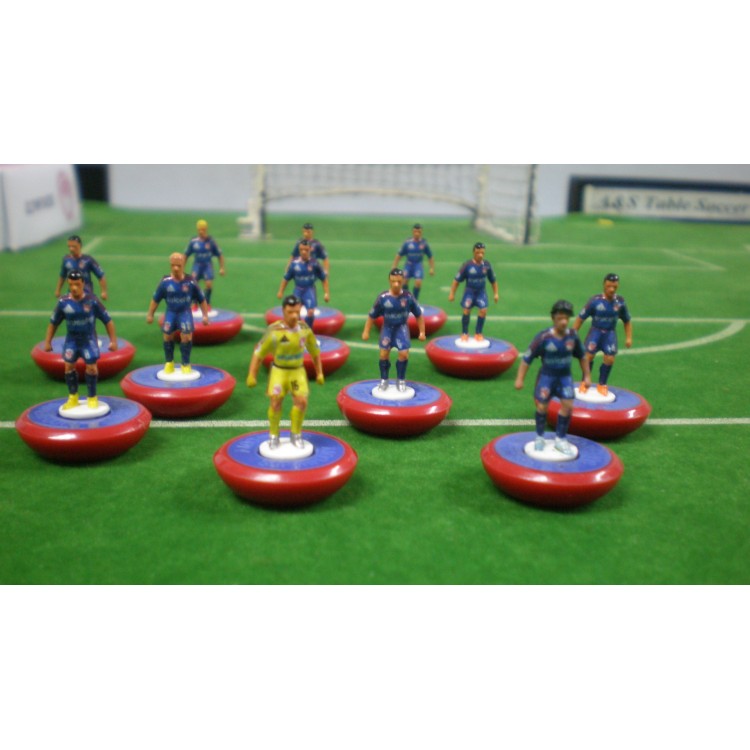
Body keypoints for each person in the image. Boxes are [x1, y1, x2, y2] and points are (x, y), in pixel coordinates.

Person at [246, 294, 325, 449]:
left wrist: (319, 372)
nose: (294, 315)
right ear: (283, 311)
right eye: (290, 312)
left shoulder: (304, 330)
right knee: (275, 402)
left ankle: (296, 435)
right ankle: (273, 436)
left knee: (302, 402)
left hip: (297, 372)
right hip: (279, 372)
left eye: (297, 312)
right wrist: (252, 375)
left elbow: (315, 352)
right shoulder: (274, 331)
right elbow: (259, 353)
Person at [514, 300, 591, 456]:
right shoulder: (544, 337)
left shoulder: (572, 336)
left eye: (566, 318)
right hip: (547, 377)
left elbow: (582, 356)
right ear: (553, 318)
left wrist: (587, 376)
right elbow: (527, 358)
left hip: (564, 378)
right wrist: (520, 378)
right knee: (542, 406)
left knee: (568, 406)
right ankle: (539, 437)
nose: (563, 322)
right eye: (560, 318)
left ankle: (560, 439)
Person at [44, 270, 118, 410]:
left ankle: (92, 397)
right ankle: (73, 397)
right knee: (68, 366)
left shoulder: (92, 301)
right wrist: (48, 341)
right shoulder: (63, 303)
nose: (74, 288)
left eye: (77, 284)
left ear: (83, 283)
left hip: (88, 340)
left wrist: (113, 341)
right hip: (72, 340)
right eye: (71, 284)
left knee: (92, 367)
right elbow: (53, 323)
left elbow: (108, 321)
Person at [362, 268, 426, 392]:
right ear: (389, 281)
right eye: (393, 281)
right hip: (387, 329)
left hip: (401, 328)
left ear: (403, 281)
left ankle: (401, 380)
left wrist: (422, 332)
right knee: (383, 354)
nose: (396, 284)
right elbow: (372, 315)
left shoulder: (408, 297)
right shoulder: (383, 298)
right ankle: (384, 380)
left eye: (399, 282)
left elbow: (418, 315)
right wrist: (366, 331)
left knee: (404, 354)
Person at [146, 252, 209, 375]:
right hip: (171, 312)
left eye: (178, 265)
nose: (175, 268)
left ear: (183, 265)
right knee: (167, 335)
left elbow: (201, 299)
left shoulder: (191, 282)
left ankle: (185, 363)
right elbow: (155, 299)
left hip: (185, 313)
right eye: (173, 265)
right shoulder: (165, 282)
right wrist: (150, 314)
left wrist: (205, 315)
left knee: (187, 336)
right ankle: (169, 362)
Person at [572, 273, 633, 396]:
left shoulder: (620, 302)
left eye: (614, 287)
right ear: (604, 285)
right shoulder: (595, 301)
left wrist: (628, 337)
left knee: (610, 358)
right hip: (595, 332)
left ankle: (602, 384)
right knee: (588, 356)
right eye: (609, 286)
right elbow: (581, 318)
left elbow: (627, 321)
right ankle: (585, 381)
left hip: (609, 333)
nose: (611, 289)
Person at [448, 242, 499, 341]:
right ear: (473, 252)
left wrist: (496, 293)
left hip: (481, 293)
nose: (480, 255)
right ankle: (464, 333)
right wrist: (452, 293)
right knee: (466, 310)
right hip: (469, 292)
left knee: (483, 310)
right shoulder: (467, 265)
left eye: (482, 253)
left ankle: (478, 333)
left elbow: (493, 280)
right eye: (478, 253)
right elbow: (456, 281)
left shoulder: (487, 265)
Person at [277, 240, 330, 331]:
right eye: (301, 250)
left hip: (309, 290)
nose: (304, 252)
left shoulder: (315, 263)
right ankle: (296, 330)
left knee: (310, 312)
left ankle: (307, 331)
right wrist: (280, 291)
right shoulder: (294, 264)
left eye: (306, 250)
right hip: (298, 290)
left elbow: (323, 279)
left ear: (310, 250)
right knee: (294, 312)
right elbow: (286, 279)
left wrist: (326, 293)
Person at [184, 219, 225, 308]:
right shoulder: (193, 241)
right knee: (194, 283)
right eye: (199, 230)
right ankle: (194, 303)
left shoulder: (211, 242)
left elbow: (220, 255)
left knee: (209, 284)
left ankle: (207, 303)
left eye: (203, 229)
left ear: (206, 229)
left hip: (207, 265)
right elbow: (186, 255)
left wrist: (222, 267)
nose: (201, 231)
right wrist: (182, 267)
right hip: (197, 265)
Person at [54, 235, 108, 300]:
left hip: (86, 293)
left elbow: (101, 276)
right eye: (69, 246)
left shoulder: (88, 260)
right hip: (72, 293)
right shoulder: (66, 260)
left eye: (74, 246)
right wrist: (58, 290)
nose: (71, 249)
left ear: (80, 245)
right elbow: (62, 276)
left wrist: (104, 291)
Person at [392, 223, 434, 301]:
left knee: (418, 282)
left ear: (421, 232)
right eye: (415, 232)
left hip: (418, 265)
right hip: (408, 264)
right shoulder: (407, 243)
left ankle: (414, 300)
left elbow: (430, 256)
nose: (417, 233)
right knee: (404, 281)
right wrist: (394, 266)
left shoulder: (424, 243)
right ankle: (406, 298)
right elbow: (399, 255)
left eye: (419, 232)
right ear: (413, 232)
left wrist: (431, 268)